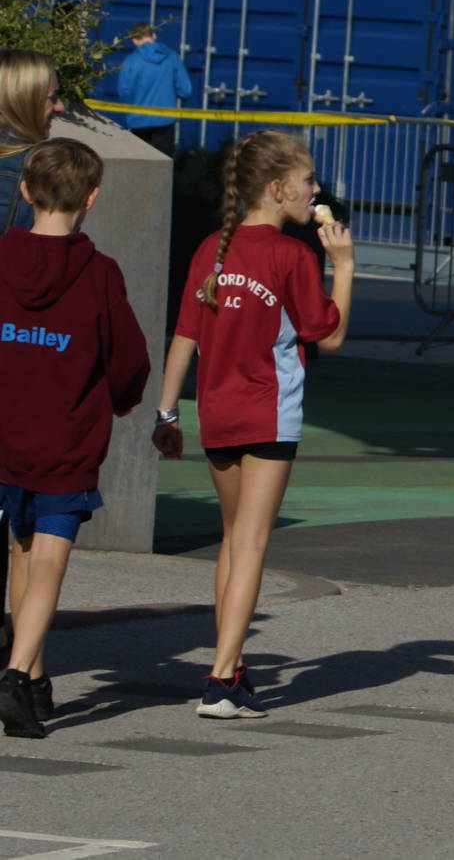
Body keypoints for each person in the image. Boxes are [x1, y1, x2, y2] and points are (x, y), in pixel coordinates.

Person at [152, 130, 354, 719]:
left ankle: (230, 667)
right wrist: (343, 264)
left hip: (216, 410)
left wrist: (167, 412)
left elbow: (185, 335)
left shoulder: (212, 246)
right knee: (251, 543)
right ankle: (219, 679)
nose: (315, 189)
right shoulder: (293, 256)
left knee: (233, 539)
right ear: (277, 188)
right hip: (268, 411)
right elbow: (332, 335)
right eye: (308, 180)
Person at [0, 140, 151, 739]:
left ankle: (33, 677)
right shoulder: (98, 274)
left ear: (23, 189)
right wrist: (122, 399)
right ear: (91, 198)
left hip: (6, 430)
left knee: (21, 547)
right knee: (51, 558)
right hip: (67, 435)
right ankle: (15, 674)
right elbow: (127, 359)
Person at [0, 49, 63, 231]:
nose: (60, 107)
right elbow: (52, 252)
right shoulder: (34, 171)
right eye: (53, 97)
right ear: (21, 100)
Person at [115, 23, 194, 156]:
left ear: (134, 40)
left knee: (140, 163)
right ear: (154, 35)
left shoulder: (130, 61)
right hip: (165, 120)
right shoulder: (172, 57)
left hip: (138, 120)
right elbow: (185, 90)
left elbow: (124, 93)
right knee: (163, 164)